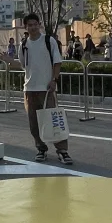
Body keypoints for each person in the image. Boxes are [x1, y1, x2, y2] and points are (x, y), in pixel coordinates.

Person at [20, 13, 70, 165]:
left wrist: (54, 80)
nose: (33, 27)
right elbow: (24, 66)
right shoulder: (24, 45)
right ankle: (41, 149)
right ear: (25, 27)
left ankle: (62, 151)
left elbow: (57, 62)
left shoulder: (49, 41)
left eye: (35, 24)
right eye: (30, 25)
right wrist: (8, 61)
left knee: (54, 120)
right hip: (29, 89)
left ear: (39, 25)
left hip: (46, 88)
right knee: (34, 123)